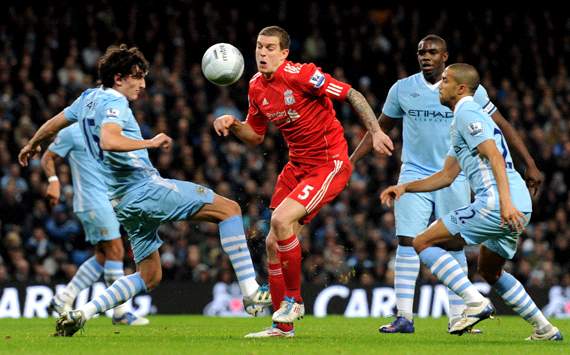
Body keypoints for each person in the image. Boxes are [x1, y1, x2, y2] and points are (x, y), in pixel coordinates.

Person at [18, 44, 271, 337]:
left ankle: (81, 312)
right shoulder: (115, 103)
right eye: (137, 77)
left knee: (150, 276)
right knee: (230, 210)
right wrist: (150, 142)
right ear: (118, 79)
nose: (143, 84)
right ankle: (251, 291)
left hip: (122, 202)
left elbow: (55, 123)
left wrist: (33, 143)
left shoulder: (87, 98)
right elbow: (109, 140)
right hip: (145, 189)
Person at [350, 34, 543, 333]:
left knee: (453, 242)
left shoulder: (466, 95)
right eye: (421, 52)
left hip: (456, 174)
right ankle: (404, 316)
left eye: (433, 52)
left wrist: (529, 162)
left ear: (445, 57)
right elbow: (378, 127)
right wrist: (350, 162)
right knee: (407, 239)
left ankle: (459, 316)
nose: (426, 56)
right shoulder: (403, 89)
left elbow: (501, 127)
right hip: (415, 171)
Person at [213, 26, 394, 338]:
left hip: (329, 164)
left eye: (270, 48)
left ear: (284, 53)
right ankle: (282, 327)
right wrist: (233, 124)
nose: (262, 53)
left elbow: (352, 93)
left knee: (281, 221)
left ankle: (294, 301)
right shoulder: (256, 86)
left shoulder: (302, 75)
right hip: (296, 167)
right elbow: (255, 136)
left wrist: (376, 131)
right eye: (259, 47)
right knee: (272, 242)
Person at [380, 63, 562, 341]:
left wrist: (504, 203)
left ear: (461, 88)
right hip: (519, 204)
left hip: (498, 203)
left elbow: (495, 157)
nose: (439, 85)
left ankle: (474, 302)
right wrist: (405, 187)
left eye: (445, 81)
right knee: (490, 271)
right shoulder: (460, 120)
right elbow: (446, 175)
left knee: (421, 242)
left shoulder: (466, 112)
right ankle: (545, 329)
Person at [42, 123, 148, 326]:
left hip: (105, 200)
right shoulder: (72, 131)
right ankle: (121, 312)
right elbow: (48, 156)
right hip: (92, 202)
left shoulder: (108, 129)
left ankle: (63, 298)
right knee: (116, 251)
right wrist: (53, 180)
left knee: (103, 255)